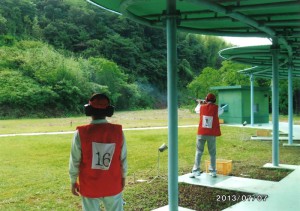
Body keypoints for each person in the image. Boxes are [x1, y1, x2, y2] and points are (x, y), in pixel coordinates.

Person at [69, 93, 127, 211]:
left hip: (89, 185)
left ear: (88, 110)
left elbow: (75, 161)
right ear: (109, 111)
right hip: (113, 183)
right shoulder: (118, 132)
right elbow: (123, 158)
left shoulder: (80, 133)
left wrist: (73, 181)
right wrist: (124, 176)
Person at [190, 93, 225, 178]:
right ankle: (213, 171)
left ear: (206, 99)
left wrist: (200, 103)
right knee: (212, 153)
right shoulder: (217, 109)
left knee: (198, 152)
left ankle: (195, 170)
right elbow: (221, 111)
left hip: (201, 133)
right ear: (214, 100)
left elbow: (196, 110)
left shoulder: (201, 107)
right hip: (211, 134)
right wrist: (204, 103)